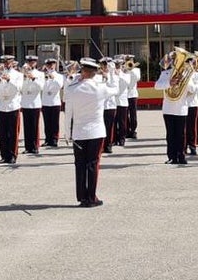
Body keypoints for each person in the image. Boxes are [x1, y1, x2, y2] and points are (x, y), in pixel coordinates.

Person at [63, 58, 118, 207]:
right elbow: (115, 89)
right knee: (93, 164)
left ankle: (82, 196)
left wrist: (67, 133)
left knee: (80, 165)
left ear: (83, 72)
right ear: (94, 73)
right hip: (96, 131)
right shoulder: (100, 88)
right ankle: (91, 197)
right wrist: (110, 74)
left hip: (79, 132)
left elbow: (68, 113)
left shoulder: (72, 89)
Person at [155, 49, 197, 165]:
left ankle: (181, 156)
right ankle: (172, 157)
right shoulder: (166, 73)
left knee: (181, 135)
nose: (175, 62)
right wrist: (170, 83)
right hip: (168, 108)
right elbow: (157, 86)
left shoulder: (186, 74)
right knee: (170, 135)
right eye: (175, 60)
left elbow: (194, 89)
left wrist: (186, 80)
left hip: (181, 109)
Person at [0, 54, 23, 164]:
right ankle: (4, 156)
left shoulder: (18, 75)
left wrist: (9, 80)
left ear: (13, 63)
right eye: (4, 62)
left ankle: (13, 155)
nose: (6, 64)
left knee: (13, 133)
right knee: (3, 133)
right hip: (0, 106)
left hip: (13, 105)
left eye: (8, 62)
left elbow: (18, 89)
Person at [19, 54, 46, 155]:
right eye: (29, 62)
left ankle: (35, 146)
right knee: (27, 126)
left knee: (34, 126)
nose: (31, 64)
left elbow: (41, 87)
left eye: (33, 62)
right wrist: (24, 76)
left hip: (35, 103)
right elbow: (20, 88)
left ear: (36, 63)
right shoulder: (23, 75)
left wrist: (34, 78)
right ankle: (28, 147)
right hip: (26, 102)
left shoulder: (40, 74)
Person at [41, 58, 65, 148]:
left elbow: (59, 86)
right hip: (46, 101)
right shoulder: (43, 75)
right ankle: (47, 139)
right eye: (48, 64)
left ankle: (54, 139)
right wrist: (45, 76)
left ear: (55, 65)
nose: (50, 66)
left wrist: (53, 78)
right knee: (47, 122)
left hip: (55, 102)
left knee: (55, 122)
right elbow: (41, 87)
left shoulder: (59, 76)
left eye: (52, 64)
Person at [125, 57, 141, 140]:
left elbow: (136, 78)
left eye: (130, 60)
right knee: (125, 115)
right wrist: (126, 69)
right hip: (124, 95)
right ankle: (127, 130)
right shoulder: (124, 70)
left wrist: (131, 69)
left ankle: (133, 130)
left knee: (133, 114)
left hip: (132, 95)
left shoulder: (136, 70)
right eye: (127, 60)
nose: (129, 62)